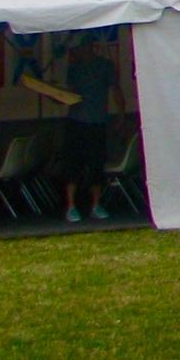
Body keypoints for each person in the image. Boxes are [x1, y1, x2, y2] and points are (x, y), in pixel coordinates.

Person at [60, 34, 125, 222]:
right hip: (76, 121)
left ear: (89, 46)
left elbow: (116, 89)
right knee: (73, 164)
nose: (77, 51)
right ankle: (71, 206)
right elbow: (68, 92)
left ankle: (96, 204)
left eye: (80, 47)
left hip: (97, 122)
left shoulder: (105, 66)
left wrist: (121, 115)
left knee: (96, 164)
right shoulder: (74, 68)